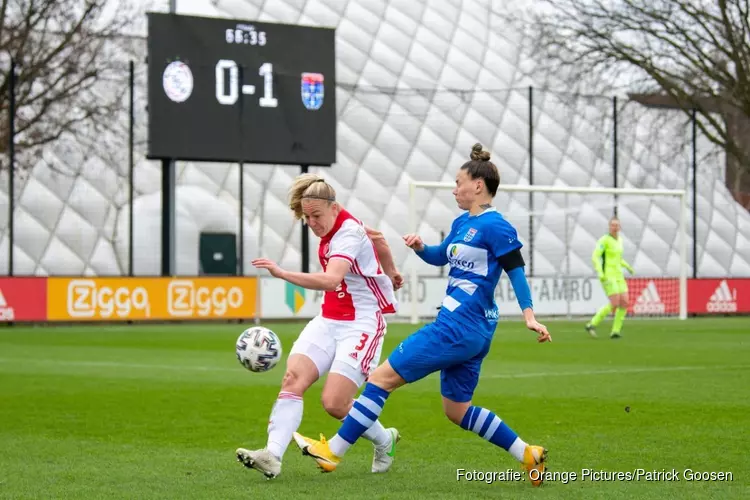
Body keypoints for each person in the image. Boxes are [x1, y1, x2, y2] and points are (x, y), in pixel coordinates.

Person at [292, 143, 552, 487]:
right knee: (457, 411)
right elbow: (441, 256)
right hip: (471, 331)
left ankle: (334, 451)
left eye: (459, 182)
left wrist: (529, 315)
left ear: (478, 185)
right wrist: (420, 248)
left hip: (457, 327)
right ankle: (526, 453)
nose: (454, 188)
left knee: (379, 380)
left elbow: (515, 269)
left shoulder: (496, 226)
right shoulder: (463, 222)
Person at [236, 173, 403, 479]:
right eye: (306, 217)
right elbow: (378, 238)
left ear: (334, 208)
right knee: (292, 379)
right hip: (329, 319)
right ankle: (272, 455)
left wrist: (282, 273)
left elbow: (331, 280)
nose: (312, 223)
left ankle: (385, 439)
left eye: (316, 216)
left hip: (362, 322)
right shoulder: (343, 221)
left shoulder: (347, 232)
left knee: (335, 403)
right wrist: (391, 271)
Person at [585, 216, 634, 339]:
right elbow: (595, 256)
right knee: (615, 302)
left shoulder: (620, 241)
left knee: (624, 302)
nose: (615, 227)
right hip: (608, 275)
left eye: (617, 225)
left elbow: (617, 258)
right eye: (613, 225)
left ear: (620, 227)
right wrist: (600, 272)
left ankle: (615, 331)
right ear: (609, 226)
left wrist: (627, 266)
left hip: (618, 274)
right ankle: (592, 324)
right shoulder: (604, 240)